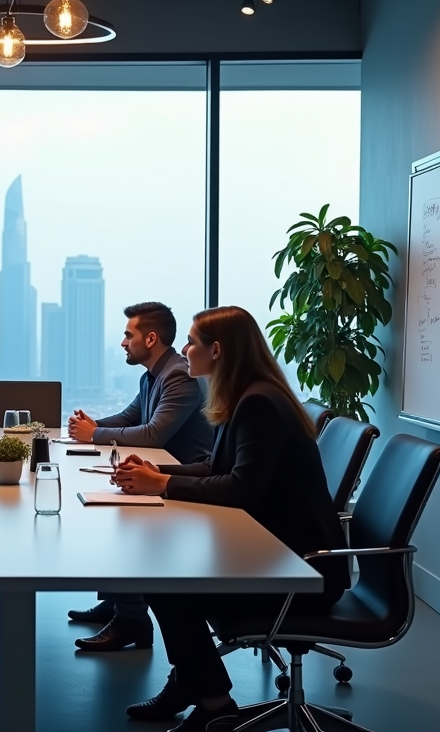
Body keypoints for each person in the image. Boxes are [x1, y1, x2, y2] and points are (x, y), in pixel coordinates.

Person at [112, 306, 350, 732]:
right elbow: (216, 466)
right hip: (279, 551)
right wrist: (158, 474)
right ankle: (192, 683)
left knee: (166, 584)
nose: (184, 351)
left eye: (191, 342)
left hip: (300, 569)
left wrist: (161, 486)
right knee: (163, 576)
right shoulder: (245, 394)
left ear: (217, 350)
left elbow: (239, 488)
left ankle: (213, 700)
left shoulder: (258, 402)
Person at [66, 302, 214, 652]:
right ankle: (120, 603)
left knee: (124, 514)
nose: (122, 343)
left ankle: (132, 618)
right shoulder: (153, 375)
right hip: (164, 472)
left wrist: (93, 435)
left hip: (189, 480)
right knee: (114, 505)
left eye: (127, 335)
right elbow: (131, 416)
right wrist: (93, 427)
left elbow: (153, 435)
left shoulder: (178, 374)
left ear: (150, 338)